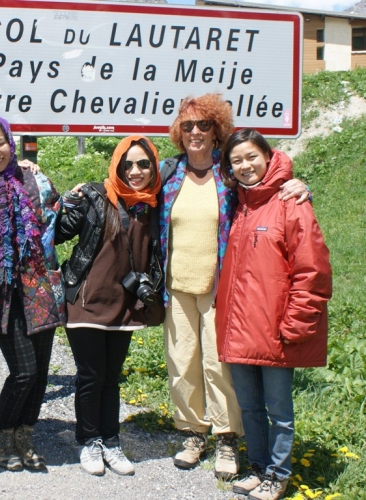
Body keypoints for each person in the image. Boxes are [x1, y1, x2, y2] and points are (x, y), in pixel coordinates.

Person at [158, 94, 310, 478]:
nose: (195, 132)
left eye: (204, 125)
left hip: (220, 286)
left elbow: (268, 185)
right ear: (180, 131)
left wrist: (298, 183)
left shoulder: (228, 176)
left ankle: (227, 437)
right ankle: (193, 432)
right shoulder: (168, 172)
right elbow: (130, 184)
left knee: (218, 364)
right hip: (176, 286)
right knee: (181, 363)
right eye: (188, 125)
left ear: (217, 131)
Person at [216, 129, 332, 500]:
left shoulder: (291, 202)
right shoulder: (240, 203)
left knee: (279, 410)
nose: (246, 166)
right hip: (240, 327)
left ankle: (279, 475)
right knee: (249, 406)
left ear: (267, 155)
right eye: (237, 161)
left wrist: (297, 322)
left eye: (251, 157)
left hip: (276, 328)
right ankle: (260, 467)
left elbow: (312, 270)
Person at [56, 135, 163, 477]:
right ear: (116, 164)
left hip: (126, 304)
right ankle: (89, 441)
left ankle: (111, 442)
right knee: (90, 376)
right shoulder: (95, 196)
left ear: (154, 168)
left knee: (111, 379)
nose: (135, 171)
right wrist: (65, 202)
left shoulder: (155, 203)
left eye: (144, 164)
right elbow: (57, 232)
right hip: (87, 302)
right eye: (127, 164)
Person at [0, 114, 65, 472]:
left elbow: (56, 217)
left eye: (0, 143)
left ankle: (24, 435)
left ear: (11, 142)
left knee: (39, 372)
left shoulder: (32, 176)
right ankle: (1, 434)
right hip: (1, 292)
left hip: (39, 284)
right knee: (23, 370)